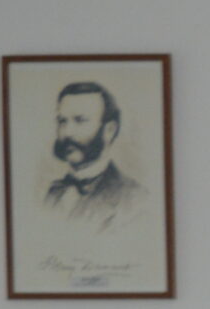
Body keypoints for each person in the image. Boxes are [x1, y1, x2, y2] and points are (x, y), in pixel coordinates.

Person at [43, 81, 149, 229]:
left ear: (109, 130)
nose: (67, 132)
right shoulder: (53, 192)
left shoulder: (134, 199)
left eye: (80, 120)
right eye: (62, 121)